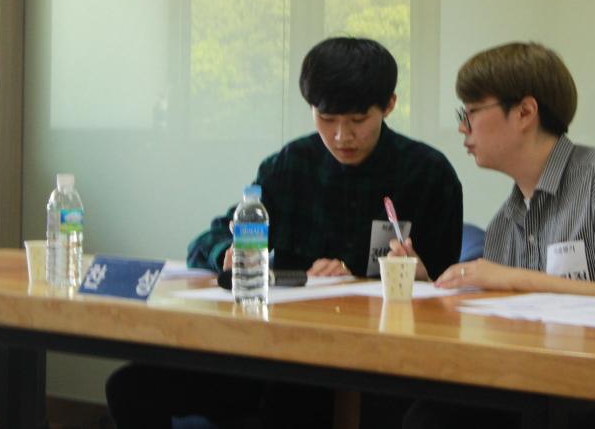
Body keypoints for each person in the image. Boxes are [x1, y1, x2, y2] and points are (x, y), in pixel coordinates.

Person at [106, 37, 463, 429]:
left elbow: (451, 293)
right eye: (326, 119)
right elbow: (207, 241)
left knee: (298, 400)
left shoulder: (427, 174)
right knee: (130, 386)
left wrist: (418, 274)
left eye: (358, 120)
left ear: (389, 105)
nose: (341, 136)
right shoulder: (292, 164)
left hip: (378, 363)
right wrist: (229, 252)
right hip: (278, 350)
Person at [391, 42, 595, 429]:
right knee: (430, 417)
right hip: (545, 383)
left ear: (525, 112)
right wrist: (431, 287)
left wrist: (513, 279)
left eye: (471, 112)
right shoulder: (506, 220)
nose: (462, 128)